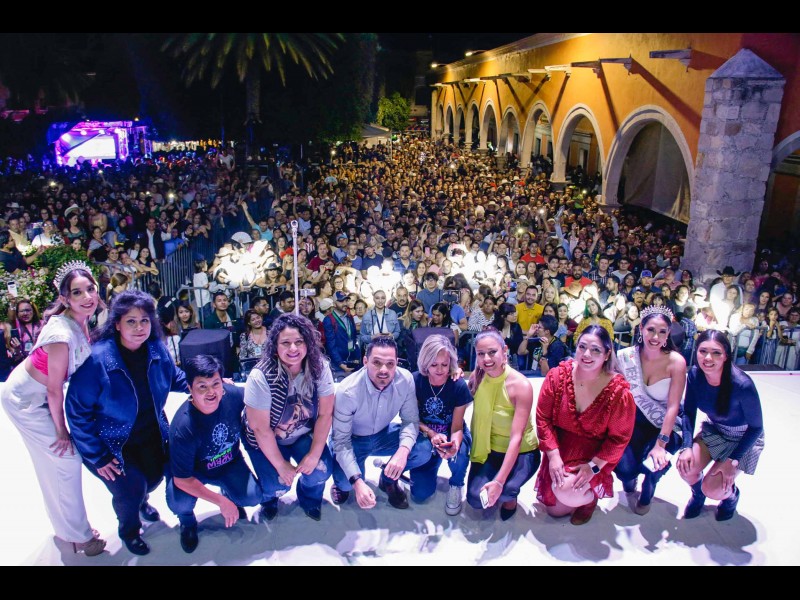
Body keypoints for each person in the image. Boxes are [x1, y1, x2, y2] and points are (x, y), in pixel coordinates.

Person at [65, 290, 189, 556]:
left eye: (144, 320)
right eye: (131, 321)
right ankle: (129, 530)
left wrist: (205, 383)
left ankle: (142, 501)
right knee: (130, 489)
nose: (139, 327)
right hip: (111, 442)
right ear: (117, 324)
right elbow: (76, 412)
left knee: (153, 478)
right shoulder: (97, 360)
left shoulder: (156, 348)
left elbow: (174, 377)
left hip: (151, 433)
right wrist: (97, 456)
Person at [0, 262, 106, 556]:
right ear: (64, 299)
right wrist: (61, 430)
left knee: (55, 464)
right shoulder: (61, 334)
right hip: (24, 401)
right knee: (66, 460)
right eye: (77, 292)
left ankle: (68, 529)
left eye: (90, 289)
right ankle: (79, 536)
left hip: (38, 396)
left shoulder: (81, 321)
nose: (87, 296)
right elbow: (54, 388)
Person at [535, 325, 636, 525]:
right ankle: (575, 494)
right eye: (582, 347)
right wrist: (553, 456)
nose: (586, 354)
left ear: (607, 354)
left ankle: (589, 500)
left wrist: (594, 467)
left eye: (595, 350)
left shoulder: (618, 392)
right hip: (561, 447)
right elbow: (542, 418)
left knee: (567, 493)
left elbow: (619, 439)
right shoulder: (557, 376)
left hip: (593, 454)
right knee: (555, 510)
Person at [243, 313, 335, 521]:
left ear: (308, 343)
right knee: (277, 484)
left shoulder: (319, 367)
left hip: (302, 433)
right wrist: (280, 465)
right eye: (285, 343)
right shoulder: (261, 376)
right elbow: (260, 429)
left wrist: (313, 455)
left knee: (320, 471)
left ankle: (309, 497)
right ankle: (269, 500)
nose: (293, 348)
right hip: (266, 438)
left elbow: (325, 414)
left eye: (299, 342)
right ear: (275, 346)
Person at [166, 355, 262, 553]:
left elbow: (257, 394)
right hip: (194, 474)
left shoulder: (232, 395)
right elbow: (182, 480)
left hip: (229, 463)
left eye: (215, 384)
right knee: (179, 502)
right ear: (190, 388)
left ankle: (229, 492)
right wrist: (220, 502)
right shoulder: (183, 427)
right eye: (202, 386)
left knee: (252, 497)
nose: (211, 392)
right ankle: (187, 522)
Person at [329, 337, 430, 510]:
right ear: (365, 361)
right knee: (346, 483)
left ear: (397, 363)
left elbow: (410, 421)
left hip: (384, 434)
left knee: (423, 449)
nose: (384, 370)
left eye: (390, 364)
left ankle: (388, 479)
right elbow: (341, 441)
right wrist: (357, 482)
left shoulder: (405, 379)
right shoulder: (347, 391)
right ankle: (342, 484)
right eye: (377, 363)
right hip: (352, 440)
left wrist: (402, 452)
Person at [677, 330, 765, 521]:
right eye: (703, 351)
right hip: (716, 429)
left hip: (743, 438)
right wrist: (686, 446)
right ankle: (698, 495)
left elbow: (756, 428)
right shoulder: (694, 375)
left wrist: (733, 462)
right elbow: (689, 413)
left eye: (716, 352)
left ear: (726, 356)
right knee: (685, 466)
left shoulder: (742, 385)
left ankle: (731, 497)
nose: (708, 358)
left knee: (714, 489)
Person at [614, 306, 688, 515]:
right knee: (624, 470)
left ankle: (650, 485)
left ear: (668, 334)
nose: (655, 337)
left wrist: (660, 444)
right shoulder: (626, 357)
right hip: (634, 422)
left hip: (664, 425)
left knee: (653, 463)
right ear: (641, 329)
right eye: (651, 330)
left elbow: (673, 406)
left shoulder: (676, 362)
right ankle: (632, 478)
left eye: (662, 332)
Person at [466, 329, 539, 520]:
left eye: (492, 352)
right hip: (490, 450)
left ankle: (509, 497)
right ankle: (498, 486)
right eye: (481, 354)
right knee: (475, 498)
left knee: (506, 490)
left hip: (522, 451)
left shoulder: (520, 386)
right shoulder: (477, 377)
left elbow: (517, 438)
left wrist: (499, 482)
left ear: (504, 350)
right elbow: (459, 402)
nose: (486, 359)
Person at [408, 335, 472, 515]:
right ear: (425, 362)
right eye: (434, 364)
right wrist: (431, 434)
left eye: (444, 364)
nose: (439, 370)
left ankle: (456, 484)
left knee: (460, 453)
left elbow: (457, 427)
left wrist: (454, 444)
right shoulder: (415, 381)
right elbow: (410, 418)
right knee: (420, 494)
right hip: (424, 435)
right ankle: (431, 462)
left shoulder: (458, 385)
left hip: (451, 433)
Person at [323, 291, 361, 373]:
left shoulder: (349, 317)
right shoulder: (329, 320)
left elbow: (353, 338)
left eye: (346, 300)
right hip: (338, 365)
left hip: (351, 361)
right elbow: (331, 345)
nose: (345, 303)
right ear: (334, 303)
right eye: (341, 301)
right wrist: (340, 363)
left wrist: (357, 357)